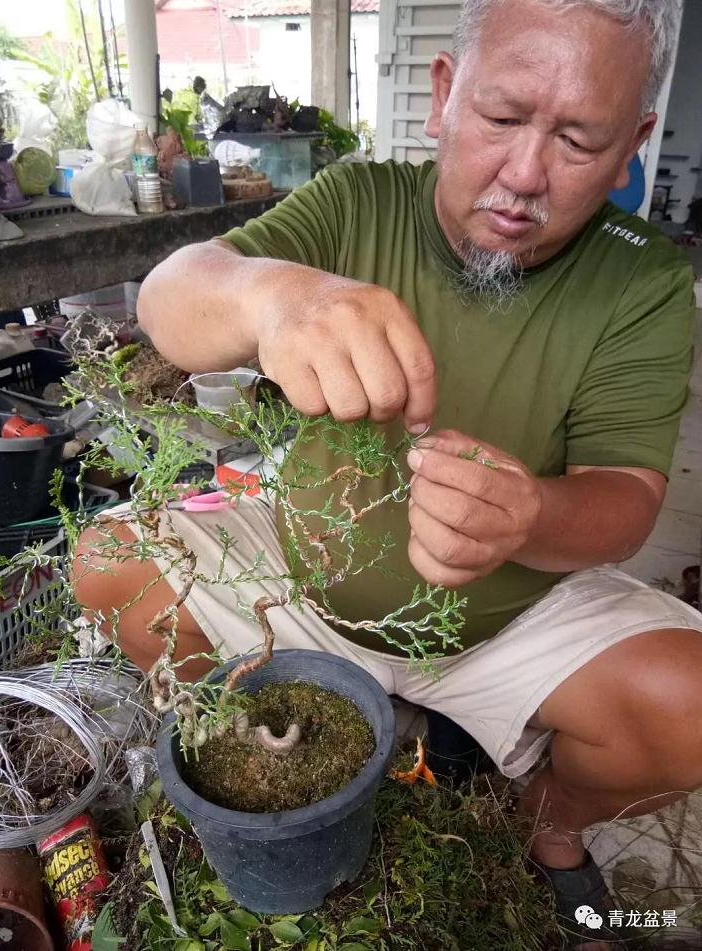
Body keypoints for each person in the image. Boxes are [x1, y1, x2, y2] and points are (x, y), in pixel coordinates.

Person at [75, 0, 701, 947]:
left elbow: (625, 505)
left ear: (632, 149)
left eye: (579, 139)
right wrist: (272, 294)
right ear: (443, 98)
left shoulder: (642, 280)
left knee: (688, 703)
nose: (525, 176)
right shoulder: (359, 202)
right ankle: (239, 742)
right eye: (500, 118)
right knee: (109, 556)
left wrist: (527, 514)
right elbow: (172, 297)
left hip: (508, 619)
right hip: (298, 574)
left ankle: (551, 828)